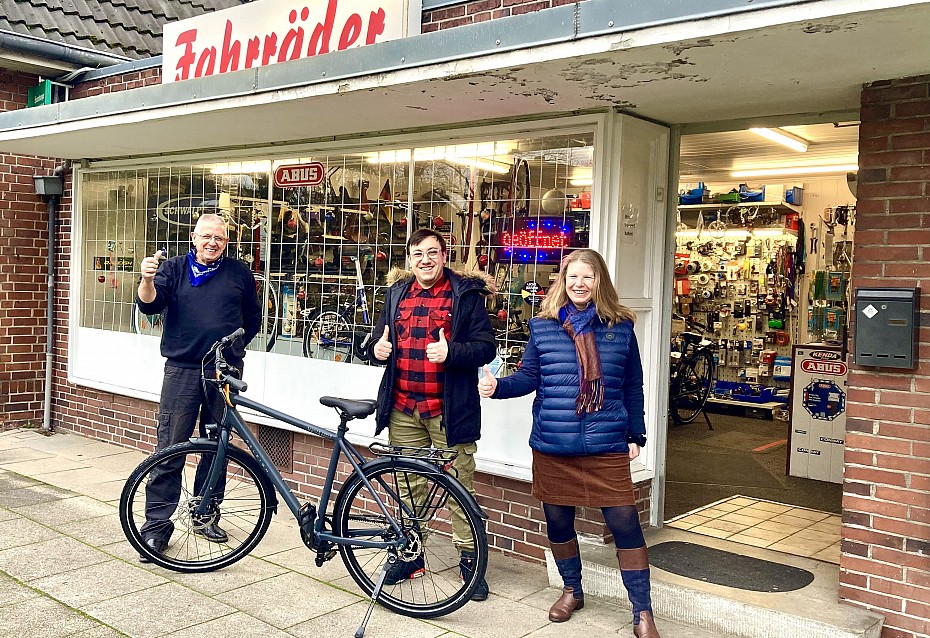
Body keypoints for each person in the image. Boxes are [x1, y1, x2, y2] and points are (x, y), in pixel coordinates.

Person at [477, 249, 659, 637]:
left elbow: (632, 386)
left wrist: (635, 434)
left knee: (625, 525)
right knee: (558, 522)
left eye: (587, 278)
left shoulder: (619, 326)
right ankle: (572, 590)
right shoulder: (543, 326)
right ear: (561, 280)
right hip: (553, 443)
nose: (579, 284)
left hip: (606, 441)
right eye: (572, 277)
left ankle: (642, 611)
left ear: (599, 282)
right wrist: (497, 387)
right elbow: (528, 377)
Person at [366, 228, 496, 601]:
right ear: (409, 259)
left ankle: (470, 562)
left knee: (459, 488)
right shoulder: (396, 294)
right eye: (418, 253)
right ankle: (411, 555)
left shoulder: (465, 295)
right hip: (404, 409)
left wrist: (451, 353)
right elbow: (376, 341)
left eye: (433, 252)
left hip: (448, 411)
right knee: (409, 487)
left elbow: (486, 347)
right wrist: (376, 348)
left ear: (444, 255)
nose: (425, 259)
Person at [135, 213, 261, 562]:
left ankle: (205, 514)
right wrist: (146, 280)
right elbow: (150, 305)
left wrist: (232, 352)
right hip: (182, 371)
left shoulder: (239, 273)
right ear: (194, 237)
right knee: (170, 447)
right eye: (206, 236)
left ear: (226, 241)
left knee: (217, 445)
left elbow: (252, 320)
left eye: (219, 238)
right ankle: (156, 529)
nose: (212, 243)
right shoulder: (173, 269)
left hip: (223, 374)